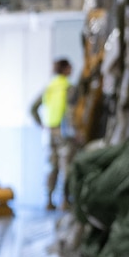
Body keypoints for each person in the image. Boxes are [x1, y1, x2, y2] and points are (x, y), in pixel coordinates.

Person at [34, 57, 74, 210]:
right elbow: (71, 112)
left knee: (52, 166)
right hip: (63, 132)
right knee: (66, 167)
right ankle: (65, 201)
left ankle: (49, 201)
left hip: (49, 132)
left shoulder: (49, 87)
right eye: (70, 67)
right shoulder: (68, 87)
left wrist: (42, 125)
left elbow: (33, 108)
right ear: (65, 69)